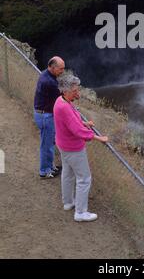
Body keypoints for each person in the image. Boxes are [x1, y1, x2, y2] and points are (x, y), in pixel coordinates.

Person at [53, 72, 108, 222]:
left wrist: (84, 123)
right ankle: (81, 212)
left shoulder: (60, 101)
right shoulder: (64, 107)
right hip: (73, 148)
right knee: (84, 179)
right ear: (65, 91)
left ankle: (68, 202)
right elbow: (77, 131)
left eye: (78, 89)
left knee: (68, 173)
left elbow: (70, 123)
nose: (78, 93)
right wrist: (98, 138)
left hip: (63, 145)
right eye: (75, 90)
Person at [34, 56, 65, 178]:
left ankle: (51, 166)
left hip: (43, 113)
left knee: (50, 142)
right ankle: (45, 171)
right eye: (61, 69)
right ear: (52, 68)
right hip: (45, 116)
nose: (63, 71)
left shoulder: (46, 75)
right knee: (46, 145)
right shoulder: (49, 82)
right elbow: (63, 96)